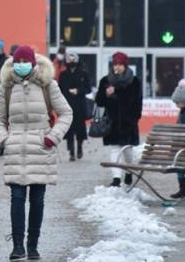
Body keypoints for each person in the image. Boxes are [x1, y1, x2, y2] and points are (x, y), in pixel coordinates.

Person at [0, 45, 72, 261]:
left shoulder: (48, 85)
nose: (21, 65)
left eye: (24, 61)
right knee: (16, 198)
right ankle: (18, 247)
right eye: (17, 62)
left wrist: (52, 137)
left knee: (37, 200)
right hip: (16, 147)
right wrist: (4, 138)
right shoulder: (6, 87)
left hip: (40, 148)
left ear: (34, 63)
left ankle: (33, 246)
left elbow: (66, 113)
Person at [95, 52, 143, 187]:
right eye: (115, 64)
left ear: (125, 65)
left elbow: (137, 102)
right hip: (112, 121)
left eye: (120, 64)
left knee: (127, 150)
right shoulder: (106, 81)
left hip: (129, 122)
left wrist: (135, 119)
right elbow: (99, 102)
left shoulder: (134, 81)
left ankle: (128, 172)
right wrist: (106, 94)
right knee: (115, 148)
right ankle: (116, 178)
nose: (118, 67)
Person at [58, 53, 92, 161]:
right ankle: (71, 152)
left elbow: (88, 89)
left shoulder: (83, 73)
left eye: (73, 59)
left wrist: (78, 91)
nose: (71, 62)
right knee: (69, 129)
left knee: (80, 129)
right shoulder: (63, 74)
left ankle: (80, 147)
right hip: (67, 105)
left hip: (79, 105)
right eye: (70, 59)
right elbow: (59, 90)